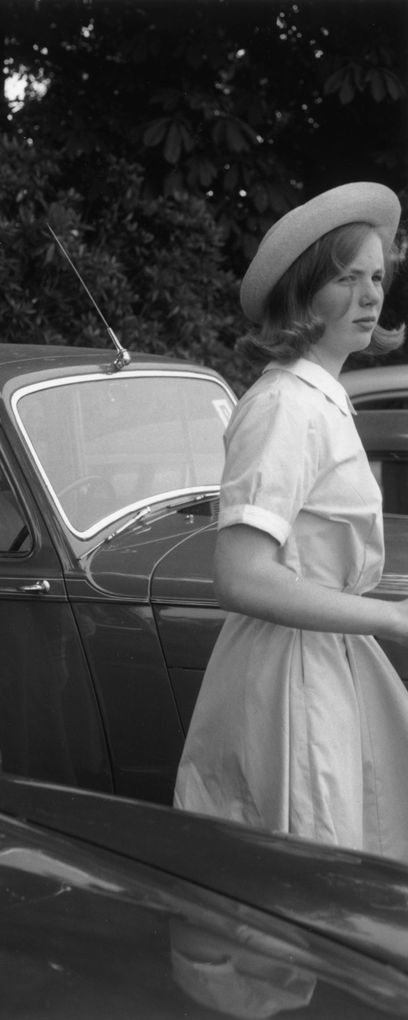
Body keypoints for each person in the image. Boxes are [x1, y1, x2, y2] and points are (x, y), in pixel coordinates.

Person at [173, 182, 408, 862]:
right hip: (291, 675)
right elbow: (242, 576)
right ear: (305, 294)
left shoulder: (320, 400)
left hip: (324, 659)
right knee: (304, 865)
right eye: (345, 278)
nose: (370, 297)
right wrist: (392, 618)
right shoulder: (285, 406)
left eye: (376, 277)